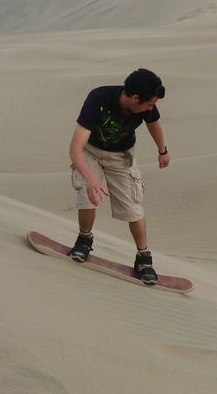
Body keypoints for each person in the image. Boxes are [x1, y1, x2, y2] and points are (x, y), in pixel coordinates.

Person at [68, 69, 171, 284]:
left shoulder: (147, 107)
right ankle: (84, 240)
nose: (152, 108)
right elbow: (76, 148)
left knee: (133, 207)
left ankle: (143, 258)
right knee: (88, 195)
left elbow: (154, 126)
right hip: (90, 151)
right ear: (135, 98)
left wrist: (163, 151)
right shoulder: (99, 98)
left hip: (122, 156)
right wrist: (91, 178)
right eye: (150, 103)